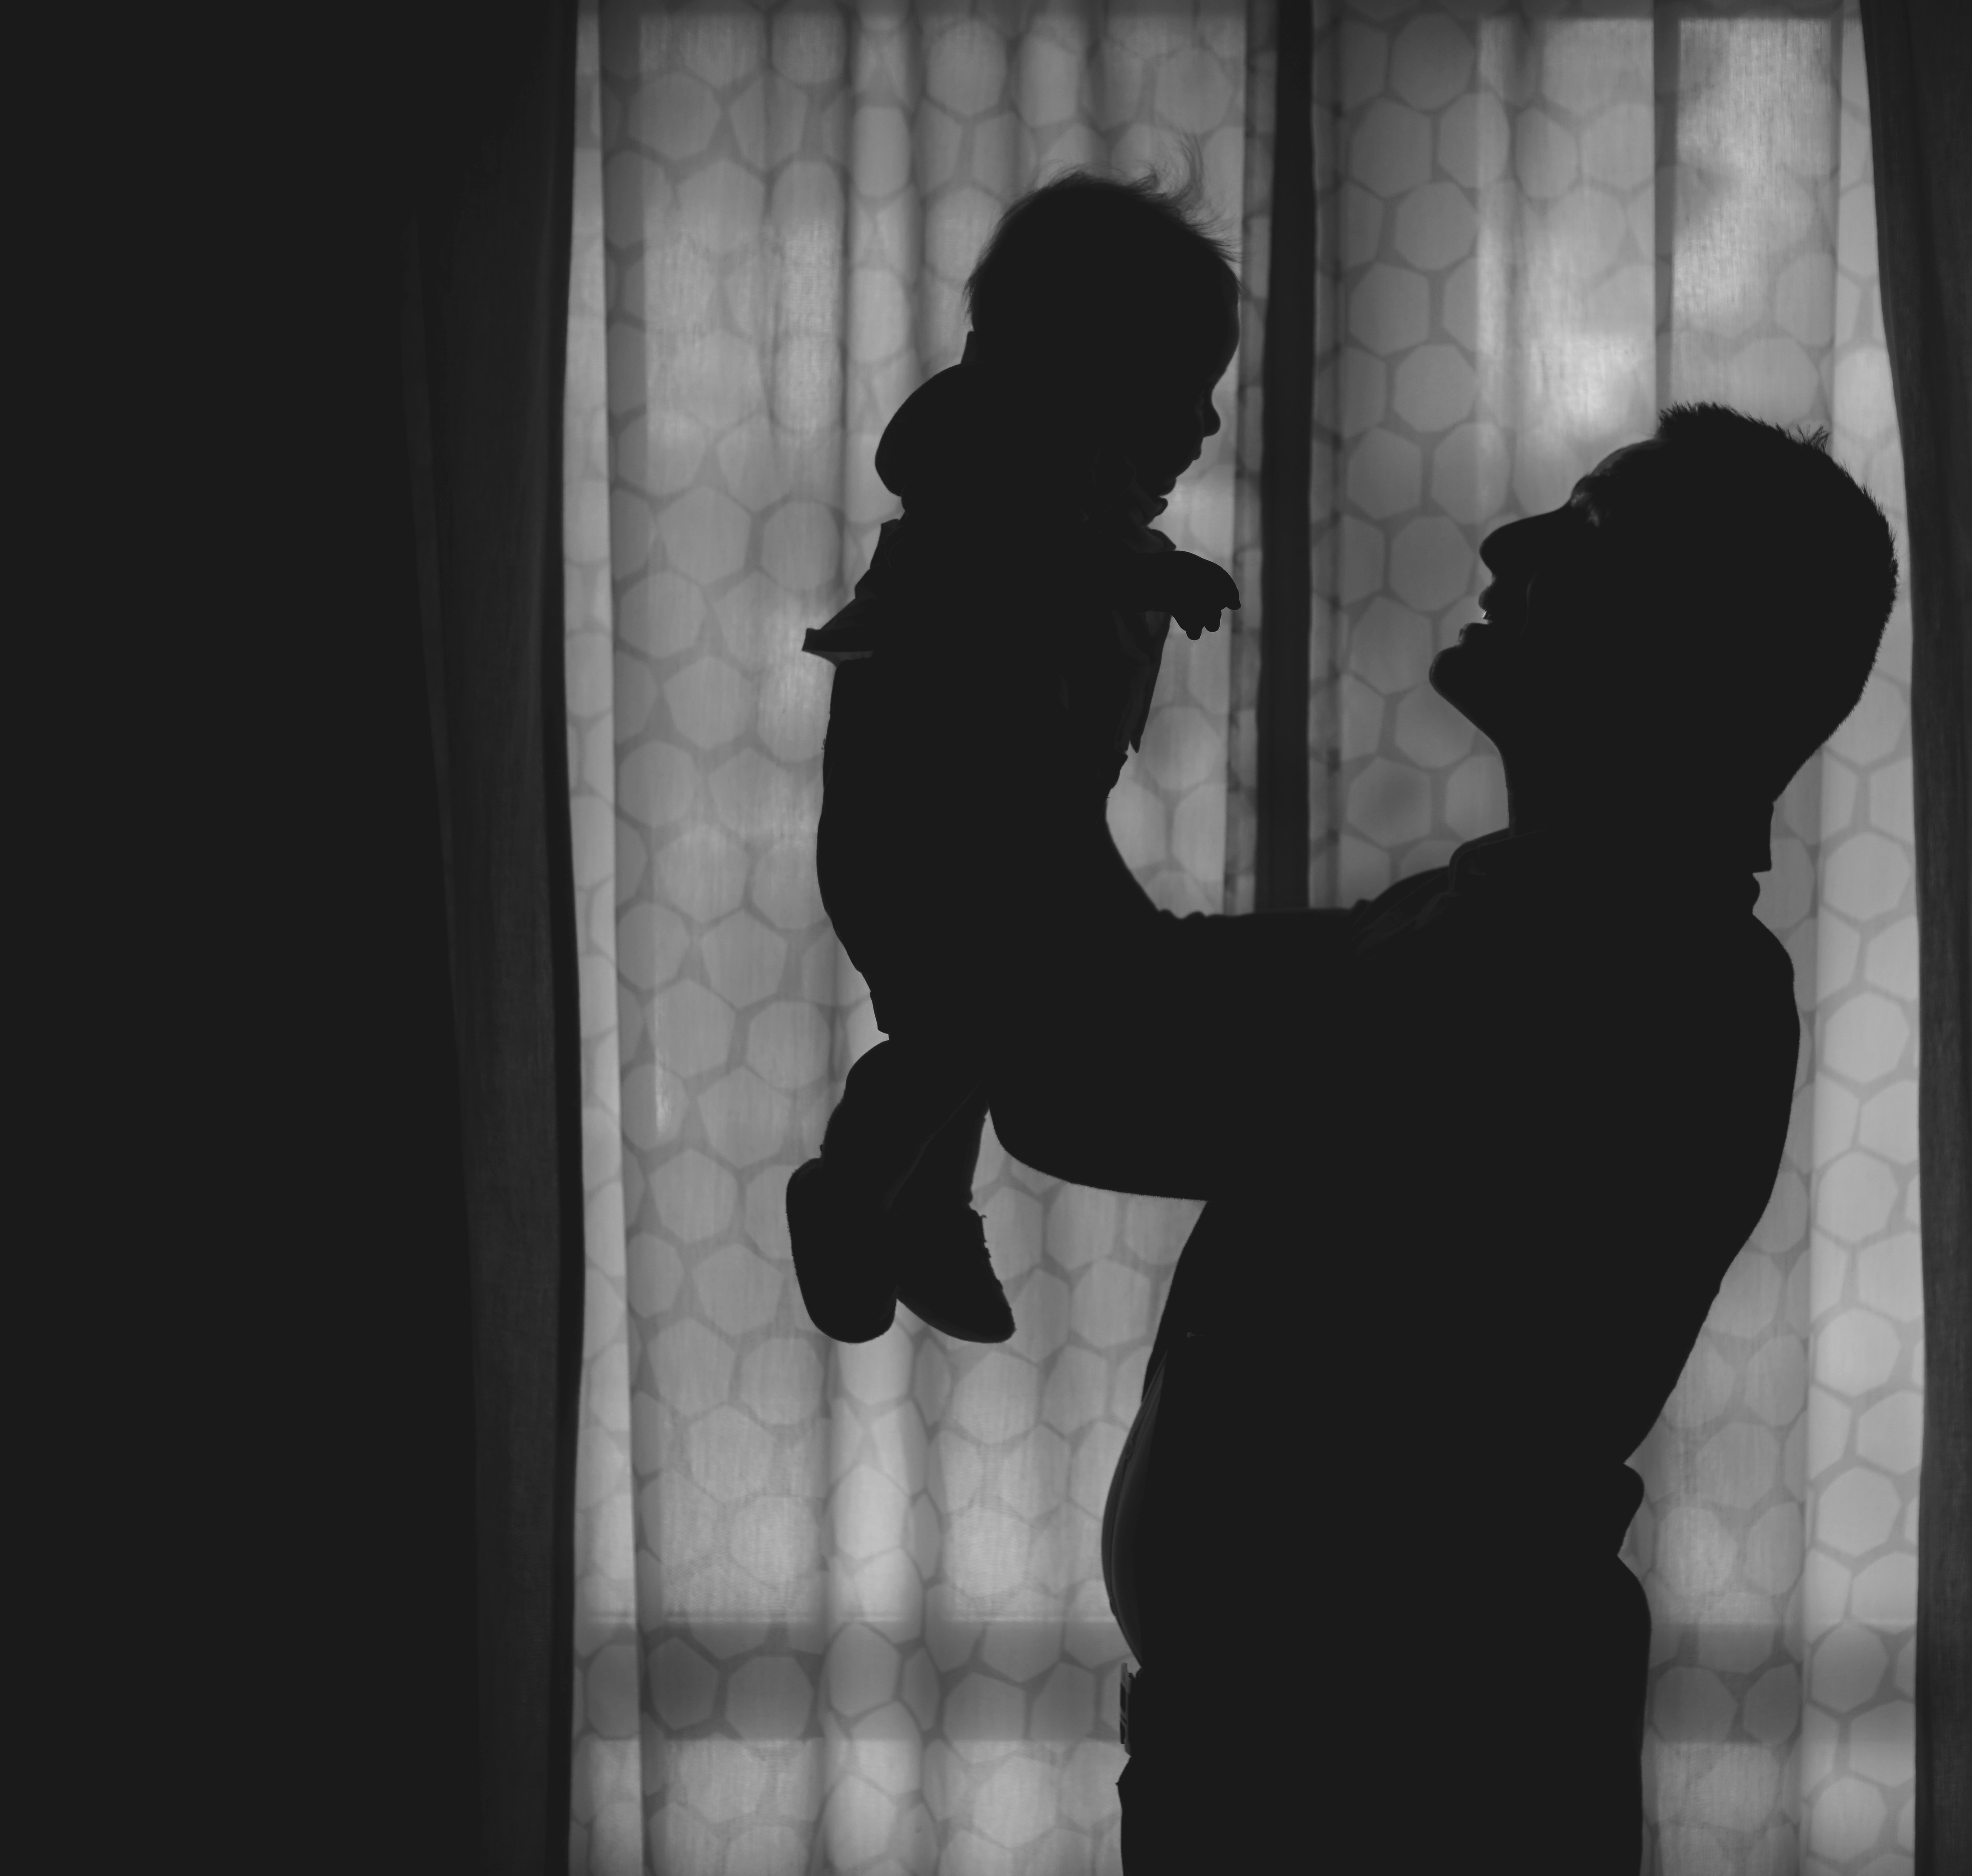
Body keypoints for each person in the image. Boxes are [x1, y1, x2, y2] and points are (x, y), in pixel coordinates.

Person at [981, 404, 1900, 1869]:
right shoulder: (1494, 925)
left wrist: (1022, 682)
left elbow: (1094, 1058)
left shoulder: (1613, 973)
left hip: (1382, 1778)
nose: (1510, 540)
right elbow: (1088, 1042)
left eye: (1591, 529)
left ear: (1693, 642)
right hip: (1307, 1752)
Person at [784, 164, 1244, 1345]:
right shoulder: (979, 446)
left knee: (980, 1018)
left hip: (993, 836)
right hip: (930, 832)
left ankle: (920, 1202)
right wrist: (1138, 571)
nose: (1205, 423)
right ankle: (856, 1183)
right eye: (1184, 388)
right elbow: (995, 547)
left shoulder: (1071, 506)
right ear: (1085, 365)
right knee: (968, 1022)